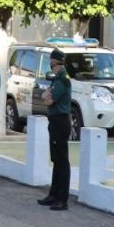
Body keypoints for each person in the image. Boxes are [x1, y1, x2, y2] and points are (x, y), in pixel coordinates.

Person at [40, 49, 71, 210]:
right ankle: (54, 194)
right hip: (56, 121)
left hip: (60, 122)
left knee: (61, 161)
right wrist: (46, 96)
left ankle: (62, 198)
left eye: (51, 61)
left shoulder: (62, 80)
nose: (50, 64)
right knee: (56, 159)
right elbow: (46, 97)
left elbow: (48, 101)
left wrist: (46, 96)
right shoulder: (58, 78)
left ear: (55, 62)